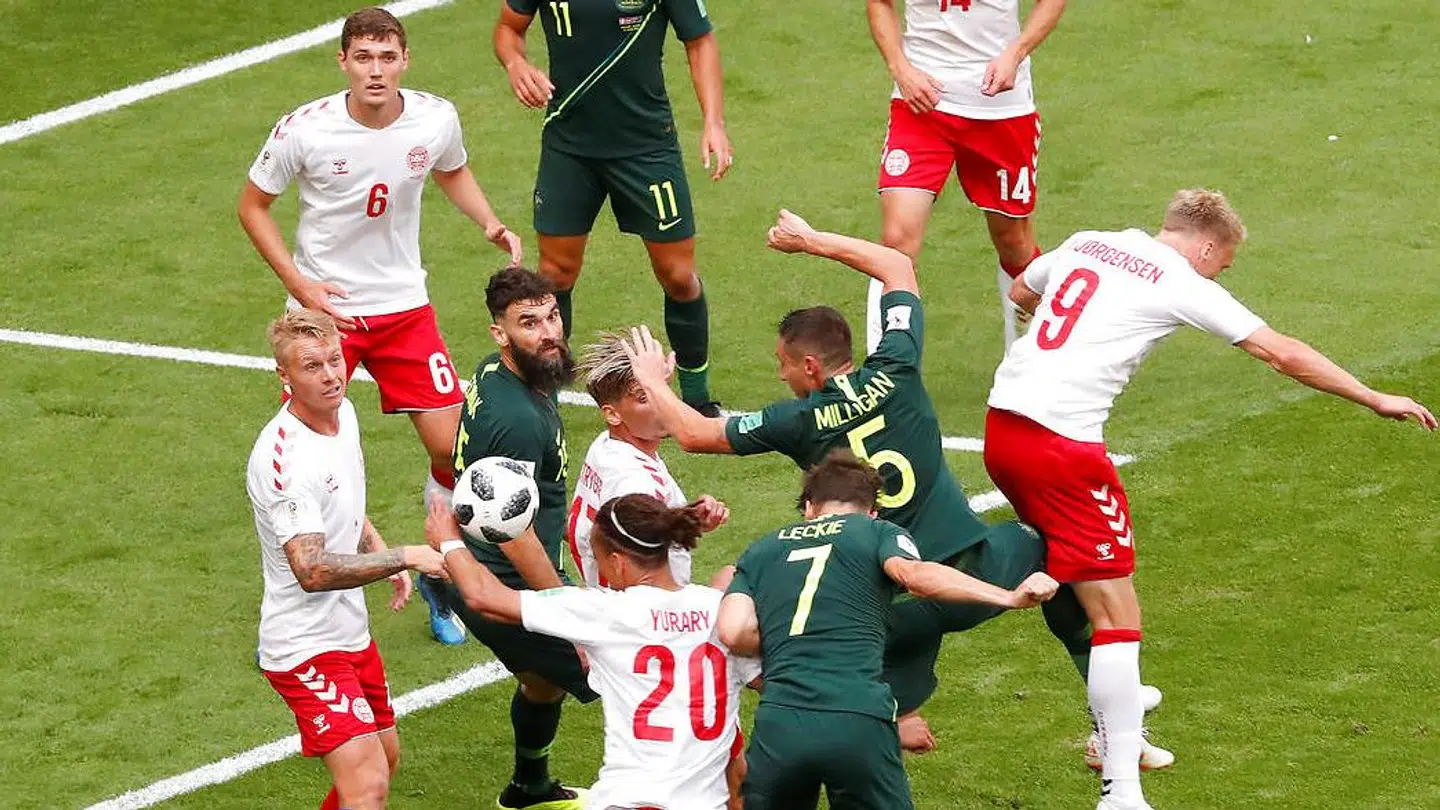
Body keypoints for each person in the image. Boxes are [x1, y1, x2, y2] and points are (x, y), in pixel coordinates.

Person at [622, 209, 1155, 762]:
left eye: (783, 365)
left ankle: (862, 726)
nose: (781, 376)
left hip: (890, 608)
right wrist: (812, 241)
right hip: (973, 576)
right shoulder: (896, 365)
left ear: (810, 365)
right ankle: (1112, 723)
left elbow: (694, 433)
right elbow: (898, 265)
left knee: (848, 699)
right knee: (1063, 558)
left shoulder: (796, 421)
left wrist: (651, 382)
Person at [982, 188, 1437, 810]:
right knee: (1119, 615)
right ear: (1205, 244)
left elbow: (1023, 294)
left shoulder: (1092, 241)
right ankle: (1121, 788)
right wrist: (1372, 396)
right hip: (1061, 447)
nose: (1222, 271)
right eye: (1224, 261)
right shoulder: (1179, 280)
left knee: (1075, 579)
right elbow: (1281, 353)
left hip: (1001, 430)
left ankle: (1119, 726)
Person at [238, 6, 523, 645]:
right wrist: (299, 285)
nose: (375, 70)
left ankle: (439, 575)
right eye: (363, 58)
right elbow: (252, 206)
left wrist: (488, 221)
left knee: (452, 451)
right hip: (323, 319)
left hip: (404, 310)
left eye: (386, 57)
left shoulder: (435, 117)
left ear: (405, 61)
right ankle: (287, 612)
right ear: (342, 61)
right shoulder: (304, 131)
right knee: (310, 461)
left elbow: (449, 168)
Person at [717, 451, 1059, 809]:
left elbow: (733, 631)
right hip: (857, 716)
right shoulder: (877, 532)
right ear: (871, 511)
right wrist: (1008, 596)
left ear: (809, 507)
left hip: (781, 722)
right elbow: (916, 577)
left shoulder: (760, 551)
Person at [429, 492, 756, 810]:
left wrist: (449, 539)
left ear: (617, 561)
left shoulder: (608, 612)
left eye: (599, 561)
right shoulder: (720, 611)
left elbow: (484, 596)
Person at [245, 308, 448, 810]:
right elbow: (311, 570)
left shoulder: (345, 414)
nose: (332, 375)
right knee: (368, 783)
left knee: (385, 757)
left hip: (349, 630)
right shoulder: (286, 461)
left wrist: (373, 545)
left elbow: (341, 506)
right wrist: (404, 558)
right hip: (304, 644)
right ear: (284, 376)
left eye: (335, 360)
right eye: (312, 366)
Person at [494, 0, 732, 415]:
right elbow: (508, 29)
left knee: (678, 275)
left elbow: (699, 40)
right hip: (570, 147)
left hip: (647, 147)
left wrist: (714, 121)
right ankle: (546, 396)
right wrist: (515, 62)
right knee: (556, 275)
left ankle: (695, 394)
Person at [441, 266, 593, 809]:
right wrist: (566, 613)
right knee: (625, 671)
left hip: (475, 568)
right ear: (499, 333)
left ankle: (528, 788)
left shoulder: (495, 373)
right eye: (529, 323)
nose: (549, 331)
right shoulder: (519, 421)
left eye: (551, 315)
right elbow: (514, 533)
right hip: (507, 582)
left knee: (541, 682)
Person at [865, 0, 1067, 351]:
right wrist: (901, 68)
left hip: (1002, 108)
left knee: (1014, 244)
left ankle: (1028, 359)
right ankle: (886, 376)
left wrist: (1015, 54)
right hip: (921, 103)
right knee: (897, 240)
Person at [568, 331, 730, 588]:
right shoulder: (635, 481)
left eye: (661, 389)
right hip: (647, 615)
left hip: (605, 601)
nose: (661, 403)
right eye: (644, 397)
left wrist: (687, 518)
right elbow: (635, 573)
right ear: (613, 414)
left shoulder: (606, 446)